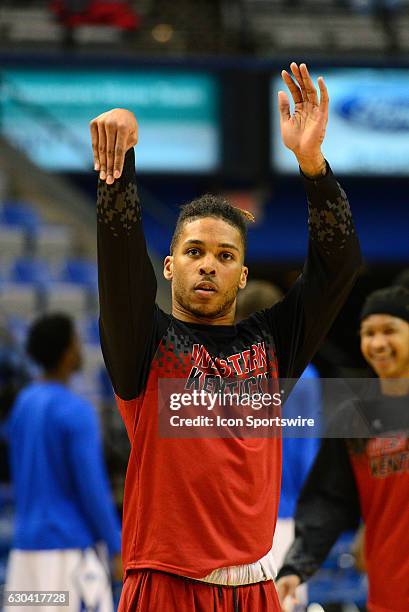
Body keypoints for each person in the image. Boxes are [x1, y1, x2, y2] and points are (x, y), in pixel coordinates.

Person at [90, 62, 361, 611]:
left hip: (254, 589)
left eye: (225, 256)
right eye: (194, 252)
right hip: (164, 584)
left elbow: (338, 268)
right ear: (169, 267)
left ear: (242, 274)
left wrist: (312, 166)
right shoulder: (144, 344)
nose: (208, 265)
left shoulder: (273, 345)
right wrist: (119, 172)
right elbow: (121, 276)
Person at [276, 286, 409, 612]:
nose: (378, 344)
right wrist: (297, 565)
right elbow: (328, 500)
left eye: (389, 331)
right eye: (369, 333)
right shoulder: (354, 419)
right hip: (388, 596)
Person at [3, 313, 121, 612]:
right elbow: (92, 490)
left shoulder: (22, 405)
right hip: (69, 554)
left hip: (24, 555)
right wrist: (116, 546)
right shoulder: (76, 410)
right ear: (66, 352)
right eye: (76, 342)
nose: (80, 348)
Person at [236, 280, 321, 610]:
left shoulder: (219, 374)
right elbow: (306, 457)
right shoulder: (305, 377)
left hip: (236, 522)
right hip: (284, 516)